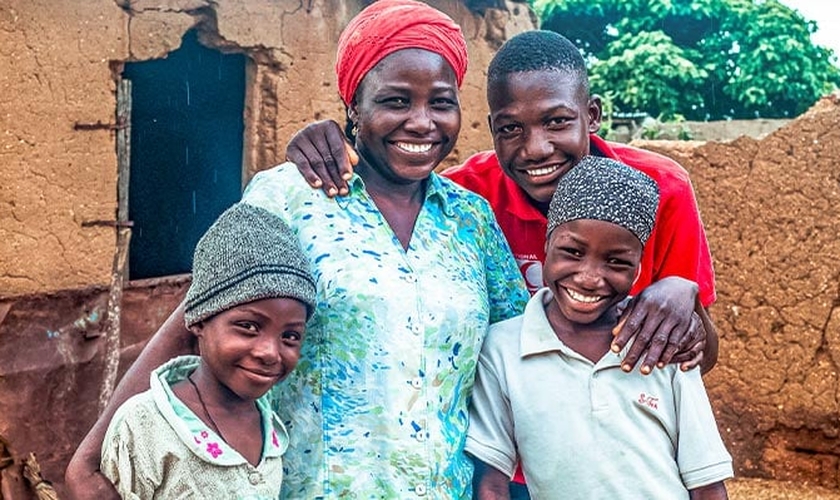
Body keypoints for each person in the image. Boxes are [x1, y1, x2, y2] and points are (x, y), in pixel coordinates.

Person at [65, 1, 528, 498]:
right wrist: (88, 462)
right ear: (354, 107)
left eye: (440, 102)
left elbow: (514, 352)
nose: (421, 122)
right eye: (395, 101)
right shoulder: (291, 196)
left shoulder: (471, 220)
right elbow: (195, 319)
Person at [286, 29, 721, 498]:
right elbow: (386, 182)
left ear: (591, 115)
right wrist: (331, 140)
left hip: (625, 464)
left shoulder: (656, 190)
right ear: (492, 129)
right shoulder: (465, 201)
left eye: (556, 122)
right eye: (512, 128)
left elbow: (700, 354)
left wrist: (683, 292)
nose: (536, 149)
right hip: (500, 460)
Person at [467, 155, 733, 500]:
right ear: (546, 246)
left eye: (616, 262)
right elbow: (490, 480)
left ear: (638, 270)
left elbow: (707, 484)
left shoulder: (660, 344)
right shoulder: (504, 348)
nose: (590, 278)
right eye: (573, 253)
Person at [99, 203, 317, 498]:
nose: (269, 352)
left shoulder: (271, 428)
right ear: (199, 319)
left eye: (290, 335)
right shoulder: (144, 426)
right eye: (249, 327)